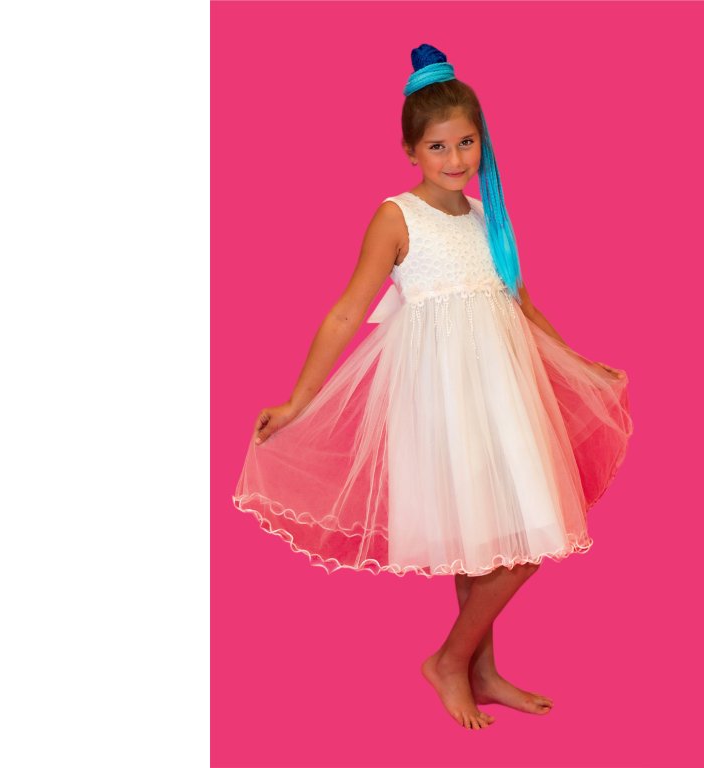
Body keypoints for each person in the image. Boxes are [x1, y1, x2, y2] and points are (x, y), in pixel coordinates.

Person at [232, 43, 633, 730]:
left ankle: (478, 669)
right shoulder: (397, 216)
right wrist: (298, 400)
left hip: (501, 395)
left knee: (498, 538)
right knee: (495, 538)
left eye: (466, 142)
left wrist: (582, 363)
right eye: (438, 146)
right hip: (443, 401)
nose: (455, 158)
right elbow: (346, 312)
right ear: (411, 151)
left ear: (483, 141)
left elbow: (521, 305)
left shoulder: (484, 215)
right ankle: (451, 661)